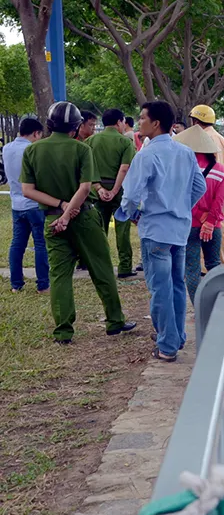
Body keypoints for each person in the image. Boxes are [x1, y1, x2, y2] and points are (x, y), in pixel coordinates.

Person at [20, 101, 136, 344]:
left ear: (49, 124)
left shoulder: (32, 150)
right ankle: (114, 321)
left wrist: (61, 208)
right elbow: (85, 188)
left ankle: (63, 331)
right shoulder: (81, 149)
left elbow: (28, 190)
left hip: (52, 219)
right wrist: (68, 211)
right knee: (101, 267)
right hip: (83, 217)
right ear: (75, 126)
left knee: (60, 275)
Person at [119, 101, 206, 362]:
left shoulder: (146, 155)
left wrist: (133, 213)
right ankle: (177, 336)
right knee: (176, 284)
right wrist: (180, 207)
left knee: (160, 288)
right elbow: (198, 187)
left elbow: (131, 194)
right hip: (179, 228)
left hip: (156, 230)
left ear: (155, 123)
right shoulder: (185, 153)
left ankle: (167, 345)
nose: (139, 121)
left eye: (143, 118)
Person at [173, 126, 224, 304]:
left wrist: (200, 217)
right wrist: (210, 221)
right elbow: (219, 201)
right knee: (213, 265)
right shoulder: (221, 170)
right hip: (213, 227)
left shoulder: (183, 171)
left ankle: (199, 308)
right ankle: (217, 303)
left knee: (192, 268)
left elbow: (184, 199)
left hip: (190, 226)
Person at [86, 109, 137, 279]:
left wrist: (99, 188)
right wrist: (114, 190)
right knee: (122, 231)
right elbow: (125, 168)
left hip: (96, 190)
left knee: (99, 231)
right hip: (120, 191)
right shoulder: (125, 142)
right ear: (119, 122)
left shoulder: (90, 141)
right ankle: (124, 267)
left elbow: (86, 169)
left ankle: (100, 267)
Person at [3, 118, 49, 293]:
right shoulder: (33, 149)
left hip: (16, 202)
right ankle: (43, 284)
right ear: (36, 133)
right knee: (40, 244)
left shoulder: (7, 148)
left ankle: (16, 284)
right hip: (34, 202)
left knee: (17, 244)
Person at [189, 105, 224, 264]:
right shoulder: (220, 138)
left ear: (196, 121)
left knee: (206, 227)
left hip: (207, 190)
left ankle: (209, 267)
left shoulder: (205, 139)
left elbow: (210, 171)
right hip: (221, 189)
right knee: (220, 229)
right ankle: (221, 264)